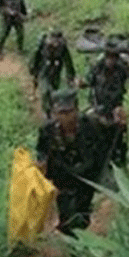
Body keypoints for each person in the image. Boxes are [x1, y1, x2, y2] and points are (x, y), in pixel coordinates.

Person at [35, 88, 109, 237]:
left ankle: (79, 237)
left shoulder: (91, 125)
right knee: (66, 214)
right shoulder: (48, 130)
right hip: (62, 176)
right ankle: (70, 240)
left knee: (82, 214)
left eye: (69, 112)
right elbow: (42, 150)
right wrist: (42, 163)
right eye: (61, 113)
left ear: (76, 110)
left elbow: (106, 142)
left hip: (86, 176)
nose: (65, 117)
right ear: (54, 113)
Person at [81, 37, 129, 168]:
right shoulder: (97, 67)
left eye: (114, 57)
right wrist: (80, 82)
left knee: (120, 134)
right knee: (86, 128)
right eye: (108, 56)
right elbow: (87, 81)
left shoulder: (122, 68)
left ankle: (120, 162)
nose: (110, 60)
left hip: (115, 108)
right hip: (98, 108)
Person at [30, 28, 76, 114]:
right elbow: (35, 57)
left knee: (54, 92)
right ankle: (47, 112)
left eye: (58, 41)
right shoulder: (43, 44)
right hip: (43, 69)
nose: (56, 43)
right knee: (45, 91)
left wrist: (70, 76)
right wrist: (33, 68)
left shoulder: (62, 47)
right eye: (54, 40)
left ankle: (52, 109)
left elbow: (68, 62)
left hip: (56, 70)